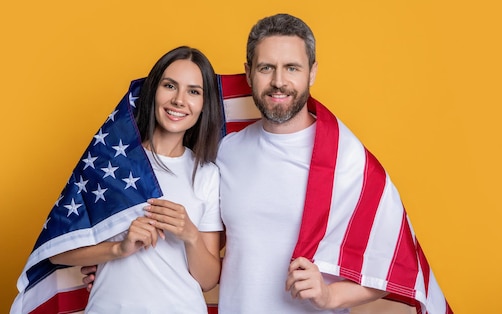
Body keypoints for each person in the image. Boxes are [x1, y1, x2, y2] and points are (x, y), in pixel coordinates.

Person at [84, 14, 452, 314]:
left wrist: (329, 297)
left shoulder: (347, 157)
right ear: (249, 73)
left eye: (292, 67)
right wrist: (120, 266)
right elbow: (195, 238)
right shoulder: (224, 151)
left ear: (312, 72)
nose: (279, 82)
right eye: (266, 68)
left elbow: (397, 264)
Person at [50, 46, 224, 313]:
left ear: (204, 104)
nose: (179, 100)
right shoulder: (110, 161)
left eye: (193, 91)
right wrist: (118, 248)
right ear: (153, 91)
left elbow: (208, 280)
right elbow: (57, 249)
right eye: (169, 85)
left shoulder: (207, 174)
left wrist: (191, 235)